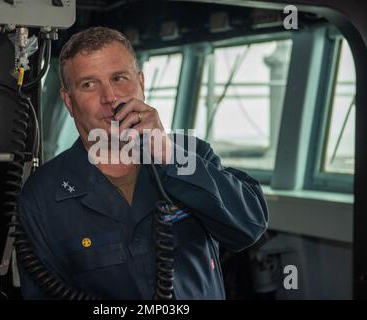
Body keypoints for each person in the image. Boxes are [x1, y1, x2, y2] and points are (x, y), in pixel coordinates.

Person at [17, 26, 268, 299]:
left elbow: (249, 227)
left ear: (142, 84)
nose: (109, 97)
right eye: (88, 84)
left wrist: (168, 156)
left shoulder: (190, 154)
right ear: (68, 101)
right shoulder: (41, 196)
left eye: (119, 78)